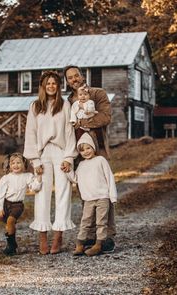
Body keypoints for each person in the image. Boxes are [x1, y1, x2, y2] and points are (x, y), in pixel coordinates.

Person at [23, 70, 77, 255]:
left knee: (63, 192)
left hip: (61, 151)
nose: (51, 86)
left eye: (54, 83)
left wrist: (69, 157)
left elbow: (70, 132)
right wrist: (35, 160)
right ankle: (43, 236)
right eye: (48, 84)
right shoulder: (35, 106)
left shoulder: (65, 105)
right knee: (42, 194)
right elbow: (30, 133)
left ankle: (58, 235)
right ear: (43, 86)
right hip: (43, 152)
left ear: (58, 86)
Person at [64, 65, 116, 253]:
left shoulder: (97, 93)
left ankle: (107, 236)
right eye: (70, 78)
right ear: (67, 81)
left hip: (97, 147)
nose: (74, 79)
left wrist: (83, 123)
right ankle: (91, 235)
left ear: (82, 75)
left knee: (102, 191)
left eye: (76, 75)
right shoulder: (68, 101)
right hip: (78, 151)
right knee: (85, 192)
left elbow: (105, 117)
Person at [67, 133, 117, 256]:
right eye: (82, 150)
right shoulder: (82, 165)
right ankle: (79, 244)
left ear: (93, 147)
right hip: (88, 199)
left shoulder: (100, 160)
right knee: (85, 222)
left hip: (102, 198)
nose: (86, 152)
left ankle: (98, 245)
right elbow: (75, 179)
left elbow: (109, 177)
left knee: (101, 222)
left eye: (88, 148)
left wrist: (113, 196)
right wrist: (67, 170)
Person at [0, 152, 42, 256]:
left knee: (11, 221)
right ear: (9, 165)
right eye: (13, 163)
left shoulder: (27, 176)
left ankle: (11, 247)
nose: (16, 165)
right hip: (6, 204)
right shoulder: (6, 178)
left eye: (19, 163)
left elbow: (35, 187)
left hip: (17, 205)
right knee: (8, 225)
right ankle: (12, 244)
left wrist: (38, 178)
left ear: (24, 164)